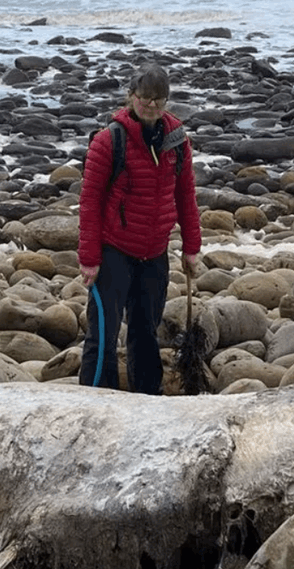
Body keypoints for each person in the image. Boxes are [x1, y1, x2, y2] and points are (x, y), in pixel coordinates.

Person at [78, 64, 201, 394]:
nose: (151, 106)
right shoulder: (108, 141)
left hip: (155, 252)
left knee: (146, 331)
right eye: (145, 98)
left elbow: (185, 195)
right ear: (130, 97)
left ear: (167, 101)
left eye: (159, 99)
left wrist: (191, 247)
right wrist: (89, 258)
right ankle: (90, 400)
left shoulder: (176, 141)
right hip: (113, 249)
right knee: (103, 332)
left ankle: (147, 398)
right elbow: (90, 201)